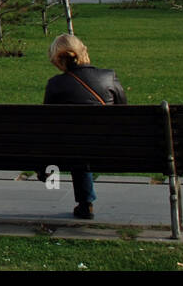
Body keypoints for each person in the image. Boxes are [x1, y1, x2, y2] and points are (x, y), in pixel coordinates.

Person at [43, 34, 127, 220]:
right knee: (82, 141)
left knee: (75, 142)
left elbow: (48, 123)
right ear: (83, 51)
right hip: (113, 147)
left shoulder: (55, 85)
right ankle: (84, 201)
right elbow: (124, 112)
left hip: (75, 149)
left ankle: (82, 201)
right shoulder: (109, 76)